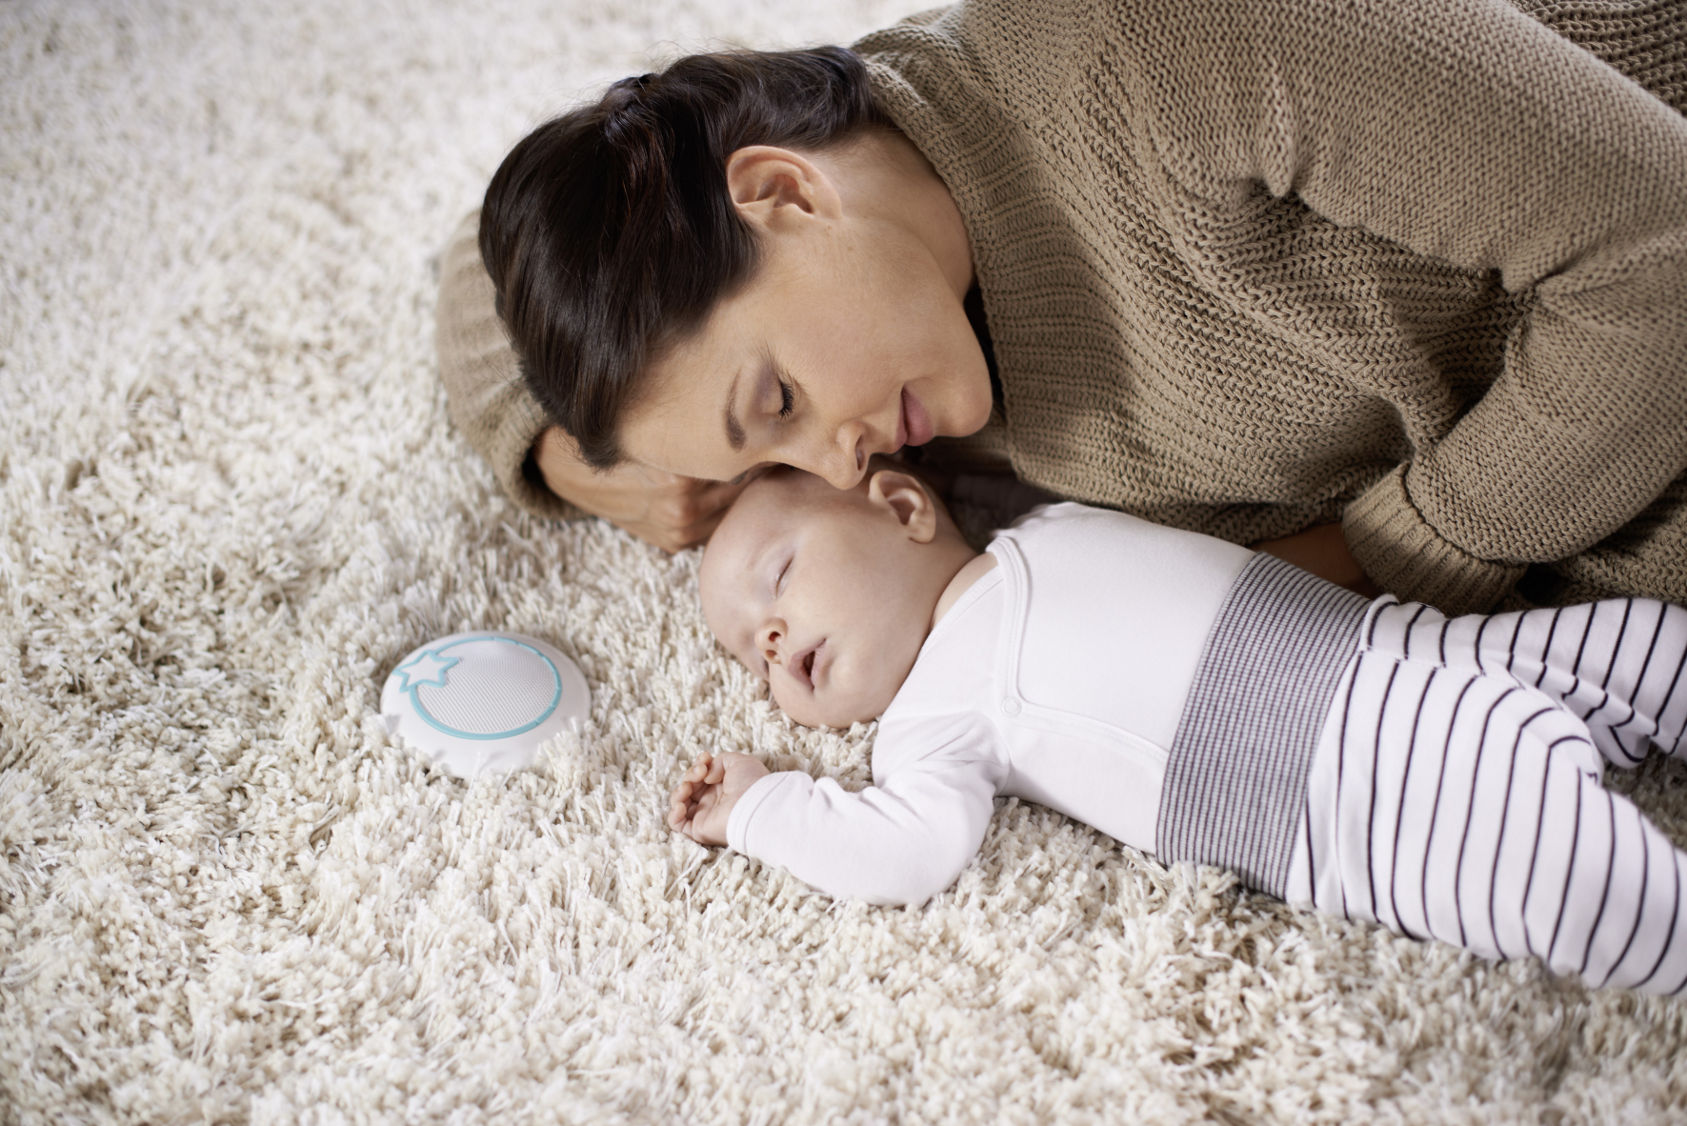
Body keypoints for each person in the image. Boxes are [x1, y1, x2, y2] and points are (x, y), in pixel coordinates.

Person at [438, 0, 1687, 612]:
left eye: (778, 402)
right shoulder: (904, 334)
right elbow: (476, 262)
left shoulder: (1141, 47)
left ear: (784, 191)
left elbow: (1661, 253)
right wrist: (571, 455)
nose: (837, 464)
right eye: (771, 453)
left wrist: (1402, 550)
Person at [667, 463, 1687, 995]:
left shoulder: (1045, 522)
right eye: (752, 656)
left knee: (1651, 643)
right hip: (1368, 799)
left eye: (778, 578)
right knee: (1587, 887)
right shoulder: (927, 725)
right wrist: (760, 806)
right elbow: (903, 853)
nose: (770, 641)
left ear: (902, 506)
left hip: (1416, 651)